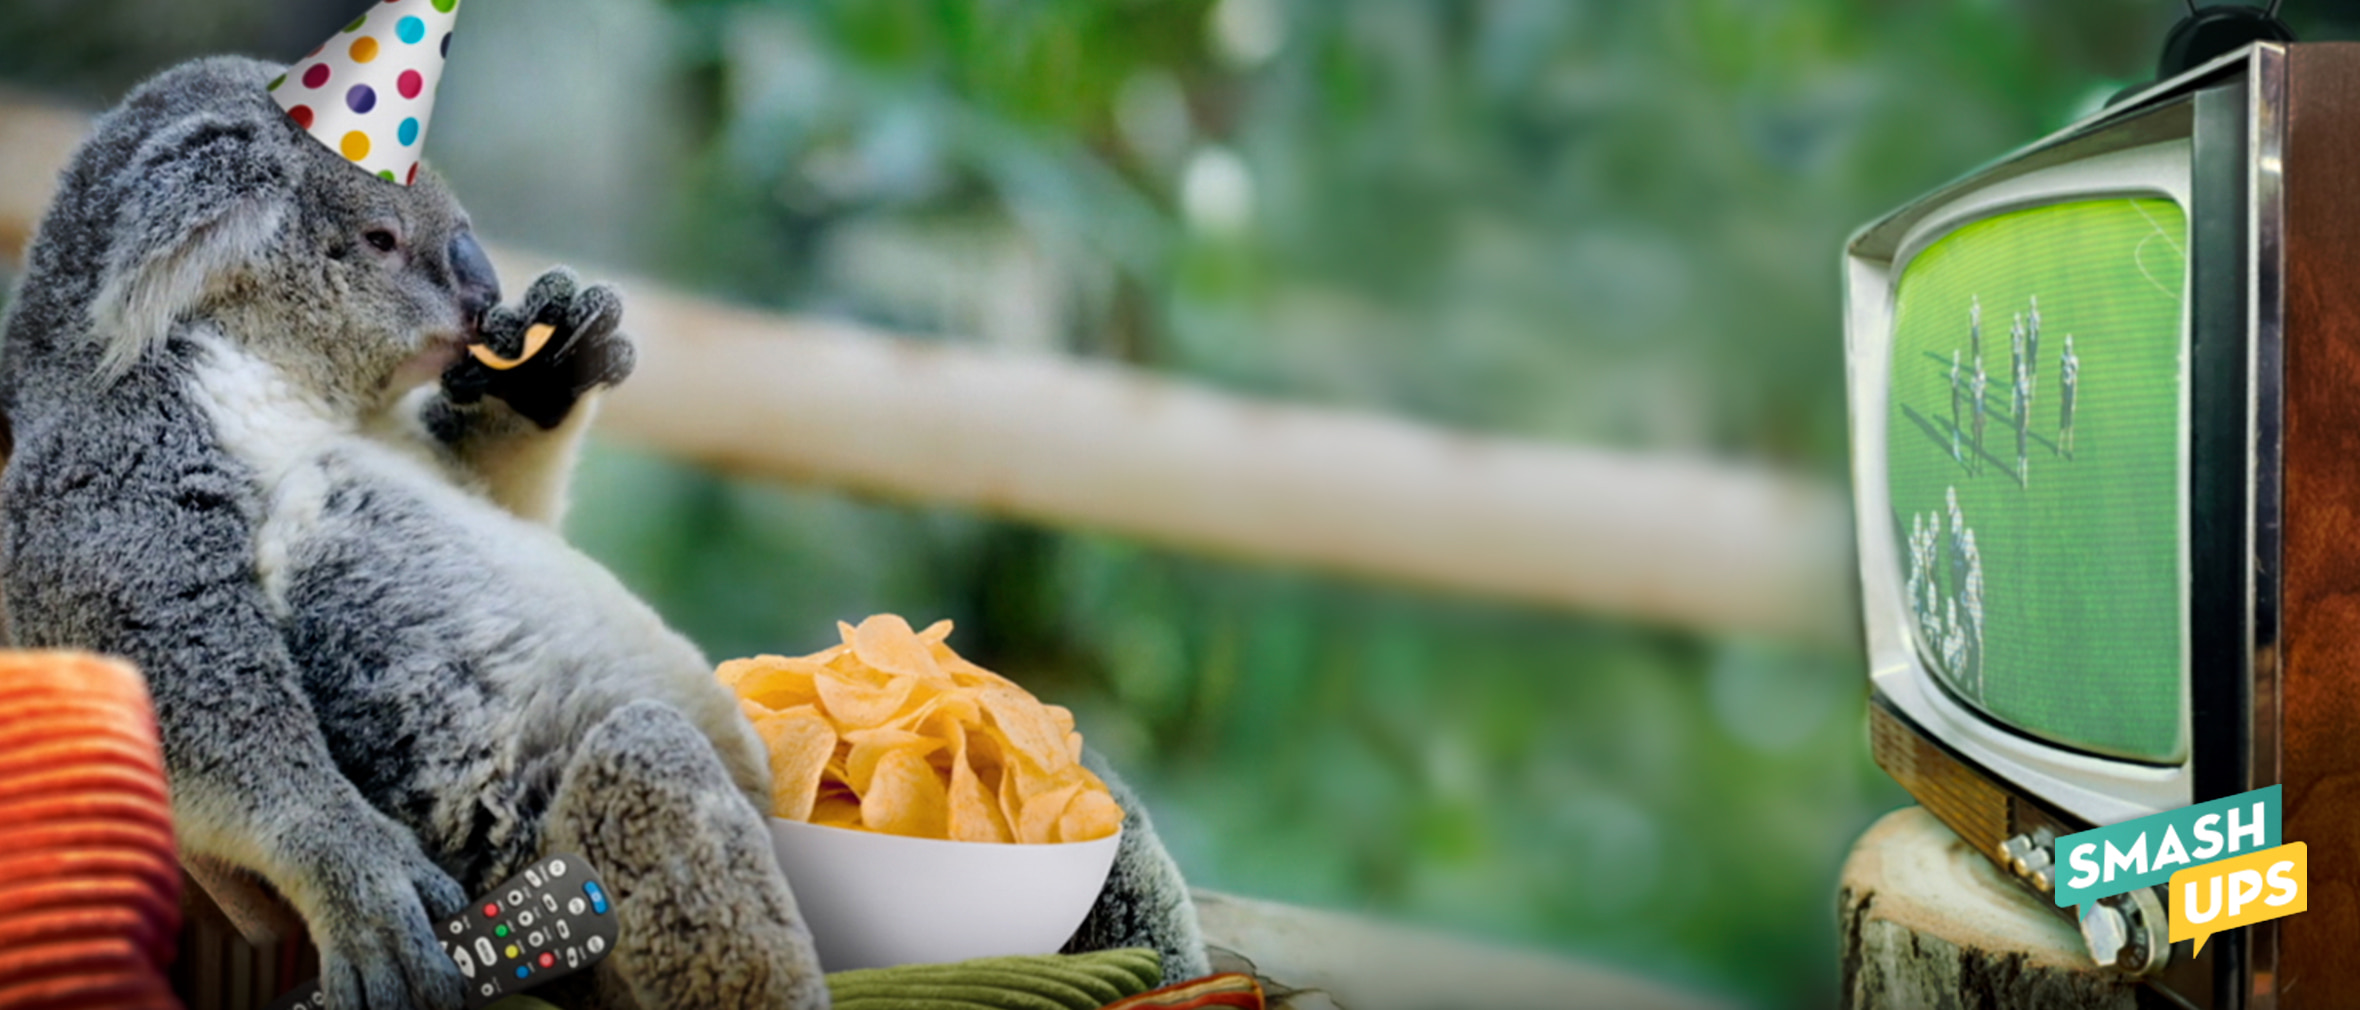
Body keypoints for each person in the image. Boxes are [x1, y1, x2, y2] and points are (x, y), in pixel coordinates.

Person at [2060, 332, 2079, 458]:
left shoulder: (2074, 361)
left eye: (2069, 347)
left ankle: (2070, 449)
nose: (2067, 349)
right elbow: (2060, 376)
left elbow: (2075, 380)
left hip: (2070, 390)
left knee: (2070, 423)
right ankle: (2060, 447)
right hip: (2064, 390)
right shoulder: (2062, 358)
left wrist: (2074, 401)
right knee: (2062, 423)